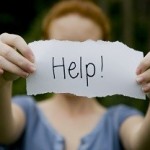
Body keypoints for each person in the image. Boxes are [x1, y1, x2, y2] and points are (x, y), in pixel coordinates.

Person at [0, 0, 150, 150]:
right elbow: (4, 132)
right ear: (42, 46)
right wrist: (3, 82)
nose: (73, 59)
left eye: (85, 46)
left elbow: (141, 143)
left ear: (105, 51)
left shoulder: (120, 120)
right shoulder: (26, 111)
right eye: (62, 45)